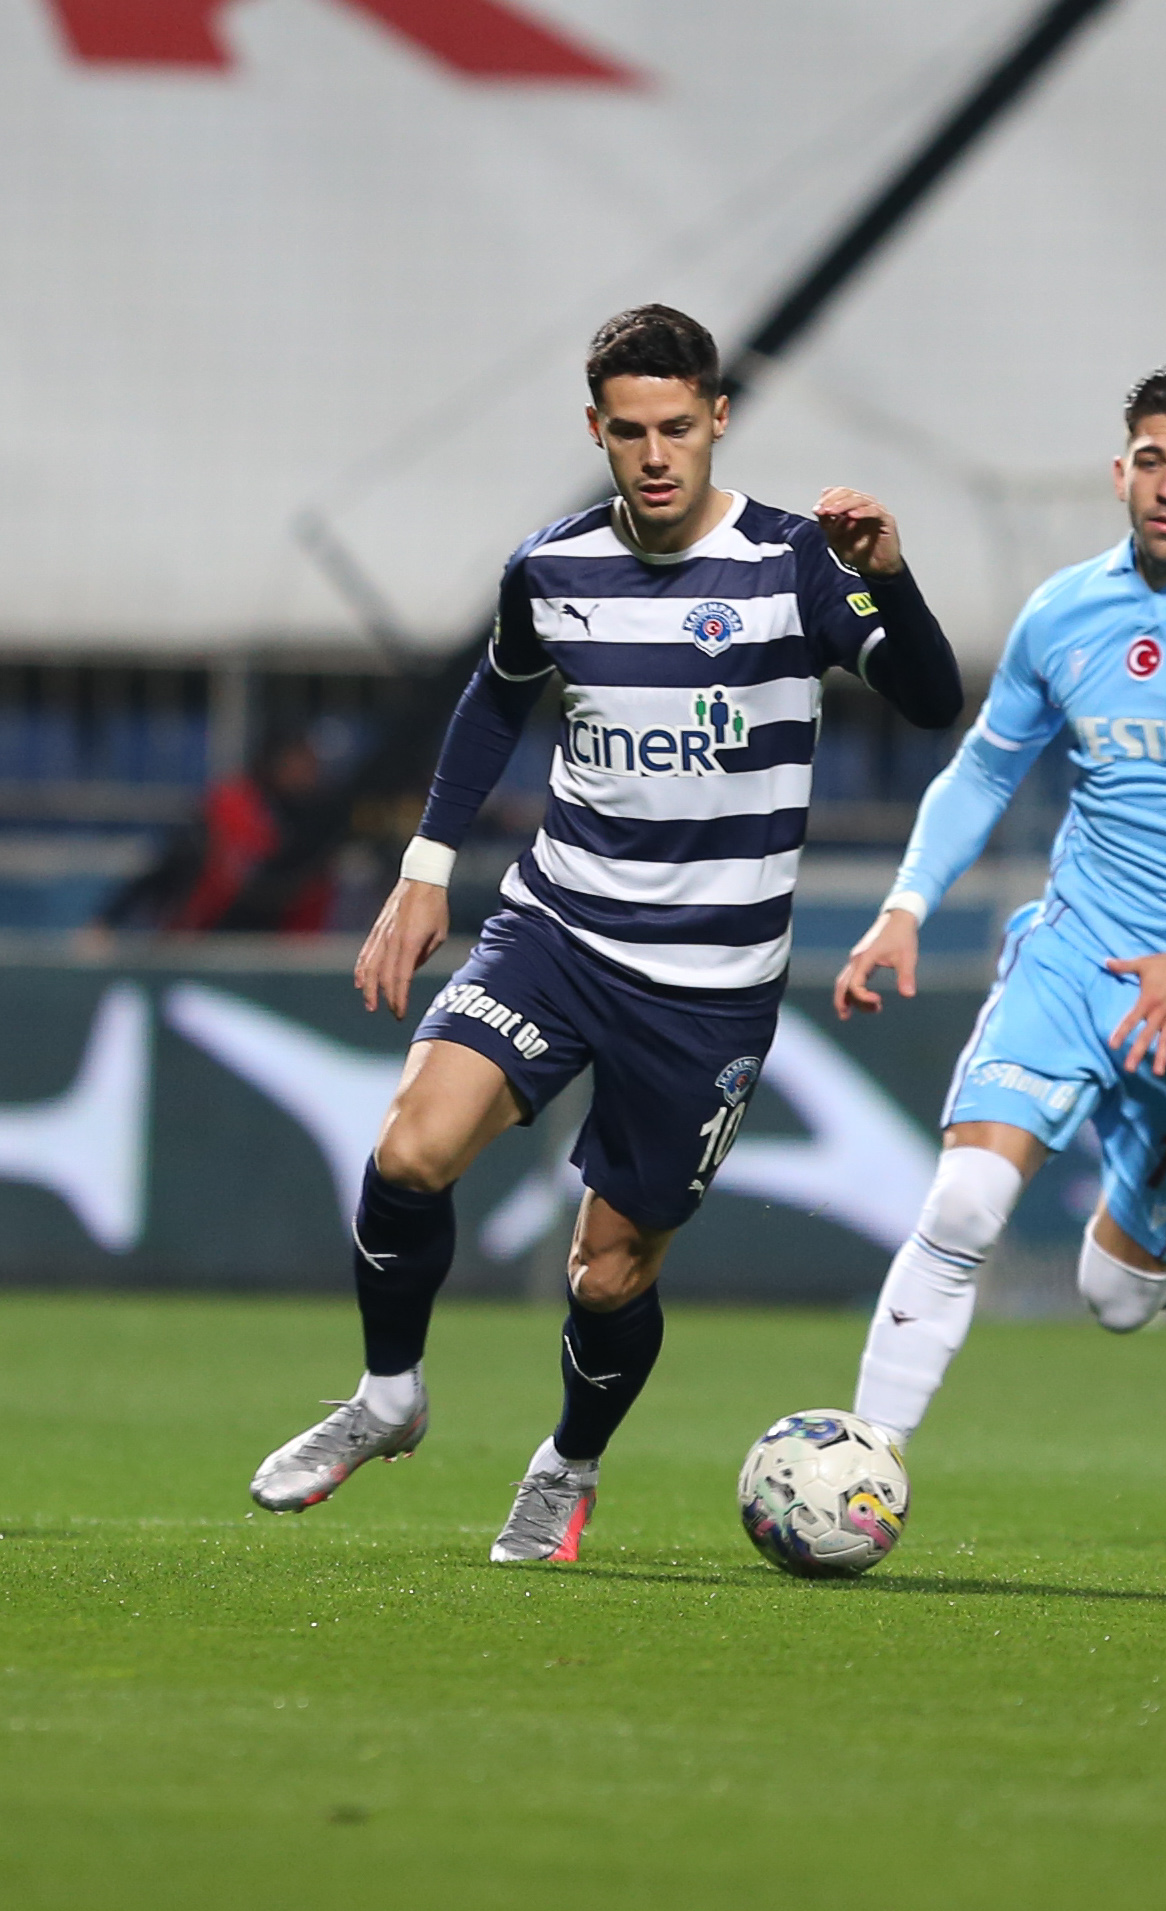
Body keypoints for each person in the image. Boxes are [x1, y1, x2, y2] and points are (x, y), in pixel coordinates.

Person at [249, 304, 963, 1557]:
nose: (653, 454)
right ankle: (387, 1395)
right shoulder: (553, 566)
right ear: (596, 428)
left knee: (609, 1272)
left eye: (676, 427)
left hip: (706, 987)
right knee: (410, 1148)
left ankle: (566, 1464)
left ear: (717, 418)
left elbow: (928, 698)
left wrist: (889, 578)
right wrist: (425, 870)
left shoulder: (792, 563)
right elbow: (493, 700)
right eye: (629, 430)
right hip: (558, 932)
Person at [836, 369, 1166, 1447]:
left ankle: (1162, 1242)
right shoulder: (1063, 610)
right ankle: (864, 1460)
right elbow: (983, 771)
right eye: (1153, 461)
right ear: (1120, 471)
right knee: (964, 1202)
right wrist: (905, 903)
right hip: (1074, 953)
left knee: (1115, 1295)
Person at [94, 727, 332, 934]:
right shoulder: (234, 806)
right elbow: (169, 866)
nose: (308, 770)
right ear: (274, 760)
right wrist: (109, 918)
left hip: (275, 947)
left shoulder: (317, 819)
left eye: (311, 762)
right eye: (298, 759)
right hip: (205, 937)